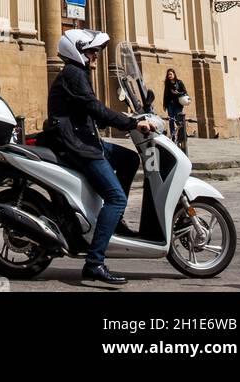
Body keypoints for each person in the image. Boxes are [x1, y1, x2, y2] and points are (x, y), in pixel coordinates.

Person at [47, 28, 156, 289]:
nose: (96, 55)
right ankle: (94, 262)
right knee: (116, 198)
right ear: (77, 52)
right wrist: (130, 123)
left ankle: (114, 222)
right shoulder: (74, 75)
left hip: (86, 139)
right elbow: (95, 109)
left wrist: (136, 115)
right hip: (78, 145)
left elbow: (92, 109)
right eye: (91, 51)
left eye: (95, 50)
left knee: (129, 160)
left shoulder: (79, 73)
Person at [163, 68, 189, 141]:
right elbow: (165, 94)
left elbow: (185, 92)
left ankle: (182, 134)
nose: (169, 76)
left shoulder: (179, 82)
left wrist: (178, 93)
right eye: (168, 74)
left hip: (178, 104)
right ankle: (173, 135)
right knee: (171, 120)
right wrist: (164, 105)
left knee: (178, 120)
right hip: (170, 104)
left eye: (170, 74)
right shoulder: (167, 83)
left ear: (174, 74)